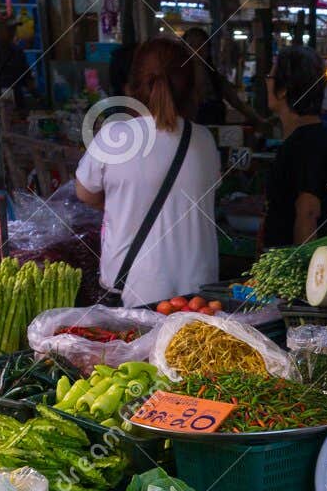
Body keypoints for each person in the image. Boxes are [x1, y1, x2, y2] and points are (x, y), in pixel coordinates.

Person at [75, 37, 221, 307]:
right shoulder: (205, 141)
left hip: (134, 291)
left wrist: (123, 203)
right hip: (199, 295)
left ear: (133, 85)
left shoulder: (114, 137)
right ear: (189, 87)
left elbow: (84, 193)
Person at [262, 47, 327, 248]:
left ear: (284, 89)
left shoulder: (308, 142)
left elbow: (308, 213)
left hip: (292, 266)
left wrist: (299, 273)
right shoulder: (306, 137)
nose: (266, 81)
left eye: (270, 76)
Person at [182, 27, 265, 129]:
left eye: (201, 44)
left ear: (208, 49)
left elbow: (238, 104)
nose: (197, 49)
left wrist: (261, 122)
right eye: (191, 45)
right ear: (184, 49)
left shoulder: (216, 79)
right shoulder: (179, 81)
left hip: (215, 139)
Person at [0, 15, 38, 113]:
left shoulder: (17, 51)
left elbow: (27, 78)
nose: (12, 32)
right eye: (9, 29)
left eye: (14, 29)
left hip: (18, 104)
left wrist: (38, 98)